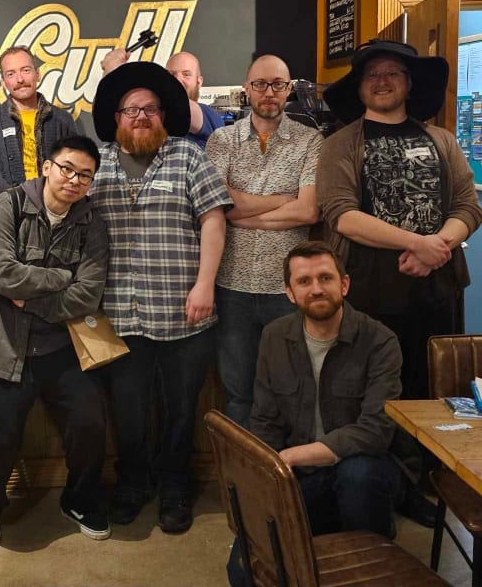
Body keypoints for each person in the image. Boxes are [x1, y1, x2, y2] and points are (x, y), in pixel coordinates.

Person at [89, 61, 231, 533]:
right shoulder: (96, 163)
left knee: (180, 409)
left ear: (164, 115)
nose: (141, 117)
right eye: (131, 110)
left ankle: (175, 486)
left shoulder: (188, 157)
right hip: (117, 313)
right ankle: (132, 483)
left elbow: (213, 219)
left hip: (184, 311)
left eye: (150, 109)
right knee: (127, 410)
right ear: (116, 117)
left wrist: (205, 283)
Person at [226, 241, 403, 586]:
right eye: (304, 281)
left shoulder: (380, 341)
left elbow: (376, 430)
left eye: (325, 278)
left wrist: (290, 457)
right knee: (246, 569)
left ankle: (373, 544)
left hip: (363, 470)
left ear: (344, 284)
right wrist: (267, 485)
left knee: (359, 475)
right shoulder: (274, 337)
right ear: (289, 293)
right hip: (301, 477)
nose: (316, 288)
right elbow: (264, 421)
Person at [0, 135, 110, 546]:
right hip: (3, 343)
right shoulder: (6, 206)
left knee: (90, 421)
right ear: (47, 167)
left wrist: (31, 301)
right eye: (67, 169)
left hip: (62, 345)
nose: (74, 180)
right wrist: (62, 277)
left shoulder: (92, 222)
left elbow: (88, 295)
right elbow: (4, 276)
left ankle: (78, 499)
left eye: (85, 175)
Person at [318, 39, 482, 401]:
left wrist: (436, 250)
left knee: (438, 395)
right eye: (371, 74)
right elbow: (341, 215)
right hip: (367, 296)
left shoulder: (443, 141)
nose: (382, 80)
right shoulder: (338, 145)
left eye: (392, 72)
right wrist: (419, 244)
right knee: (370, 396)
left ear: (409, 82)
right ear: (359, 87)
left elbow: (468, 207)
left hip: (438, 292)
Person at [205, 55, 321, 428]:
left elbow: (308, 212)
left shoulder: (310, 140)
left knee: (292, 389)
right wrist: (283, 201)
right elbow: (219, 205)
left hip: (287, 288)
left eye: (278, 84)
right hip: (232, 286)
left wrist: (243, 212)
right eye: (260, 84)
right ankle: (243, 467)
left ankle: (291, 465)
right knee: (238, 393)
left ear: (289, 90)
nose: (268, 92)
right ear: (247, 89)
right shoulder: (222, 140)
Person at [0, 46, 78, 203]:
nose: (20, 79)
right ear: (3, 82)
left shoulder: (62, 119)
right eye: (11, 74)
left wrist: (53, 203)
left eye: (25, 70)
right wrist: (16, 204)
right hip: (8, 209)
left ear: (37, 74)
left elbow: (74, 168)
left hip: (55, 207)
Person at [101, 49, 224, 147]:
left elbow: (180, 106)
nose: (177, 79)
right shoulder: (146, 115)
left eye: (186, 74)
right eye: (171, 74)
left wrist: (117, 73)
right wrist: (110, 75)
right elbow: (106, 115)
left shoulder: (209, 115)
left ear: (199, 82)